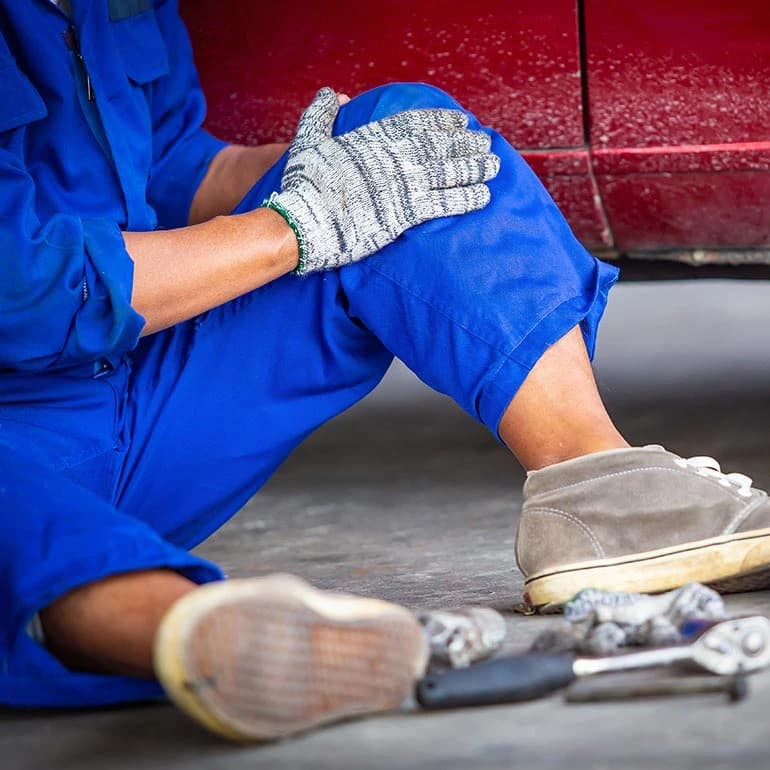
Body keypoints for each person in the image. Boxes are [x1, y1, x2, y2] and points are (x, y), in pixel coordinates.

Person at [2, 0, 770, 743]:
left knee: (409, 132)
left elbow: (171, 169)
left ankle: (595, 489)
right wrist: (294, 226)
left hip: (142, 382)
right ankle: (209, 640)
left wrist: (333, 173)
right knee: (39, 527)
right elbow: (22, 288)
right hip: (18, 426)